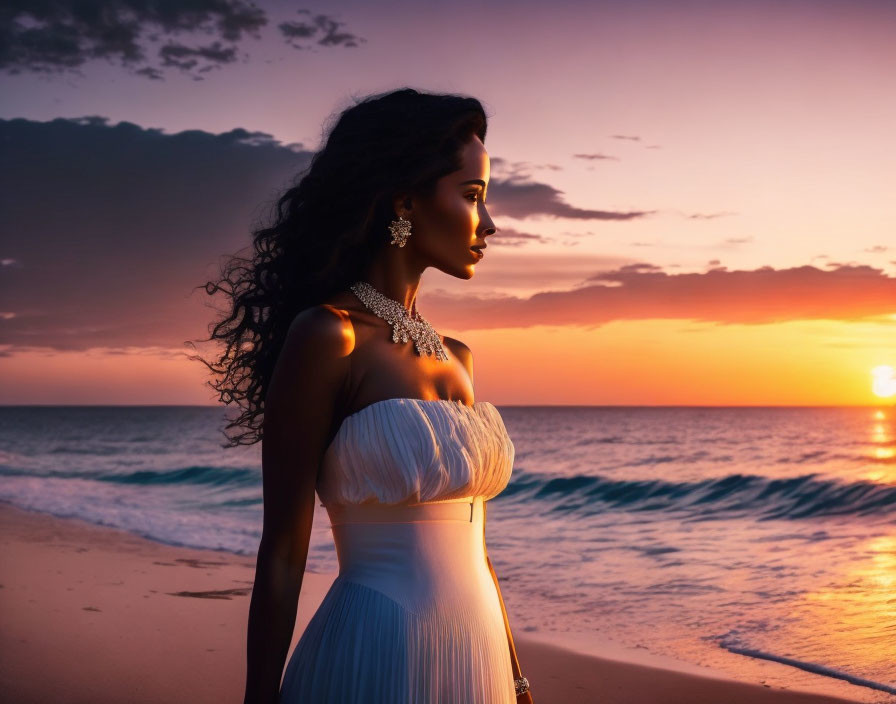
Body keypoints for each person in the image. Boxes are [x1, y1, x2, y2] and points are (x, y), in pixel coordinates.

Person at [196, 87, 532, 703]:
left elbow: (478, 548)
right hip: (378, 650)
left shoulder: (458, 358)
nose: (488, 223)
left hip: (477, 659)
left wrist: (517, 678)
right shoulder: (329, 335)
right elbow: (282, 550)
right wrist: (257, 698)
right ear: (405, 202)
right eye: (472, 195)